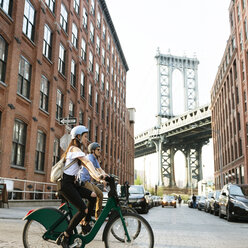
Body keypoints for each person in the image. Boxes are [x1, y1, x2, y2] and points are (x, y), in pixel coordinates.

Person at [56, 125, 107, 248]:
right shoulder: (74, 149)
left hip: (73, 184)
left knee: (93, 195)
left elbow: (89, 167)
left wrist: (101, 176)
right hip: (66, 185)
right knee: (83, 209)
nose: (86, 139)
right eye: (85, 136)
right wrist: (98, 177)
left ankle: (85, 224)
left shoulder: (78, 151)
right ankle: (66, 236)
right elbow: (87, 162)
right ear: (78, 137)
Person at [78, 142, 108, 221]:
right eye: (98, 150)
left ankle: (98, 216)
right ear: (92, 151)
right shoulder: (90, 158)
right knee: (93, 195)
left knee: (100, 194)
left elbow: (100, 169)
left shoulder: (95, 159)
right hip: (83, 181)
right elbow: (93, 172)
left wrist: (107, 176)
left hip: (88, 181)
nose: (100, 151)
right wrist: (100, 179)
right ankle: (85, 218)